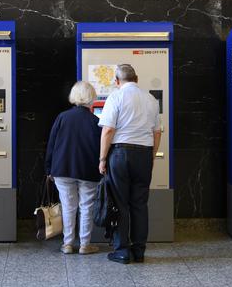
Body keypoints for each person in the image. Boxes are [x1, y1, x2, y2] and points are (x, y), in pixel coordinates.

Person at [98, 64, 161, 264]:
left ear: (117, 81)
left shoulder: (115, 97)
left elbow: (108, 130)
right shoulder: (151, 99)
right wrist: (151, 156)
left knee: (120, 203)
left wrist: (102, 158)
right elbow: (157, 132)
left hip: (120, 153)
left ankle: (122, 250)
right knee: (140, 204)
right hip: (143, 153)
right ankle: (139, 251)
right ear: (137, 78)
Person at [45, 81, 102, 255]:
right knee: (86, 206)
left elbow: (52, 145)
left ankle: (67, 244)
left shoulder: (62, 117)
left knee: (68, 206)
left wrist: (49, 168)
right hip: (88, 169)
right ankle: (85, 244)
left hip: (62, 168)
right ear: (91, 97)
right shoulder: (96, 121)